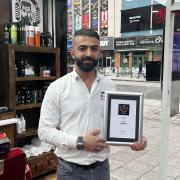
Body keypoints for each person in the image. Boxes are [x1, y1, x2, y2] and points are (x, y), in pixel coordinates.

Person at [38, 28, 147, 180]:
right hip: (70, 171)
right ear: (73, 53)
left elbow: (116, 124)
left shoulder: (109, 86)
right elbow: (44, 131)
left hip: (101, 169)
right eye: (82, 48)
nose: (89, 53)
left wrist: (132, 139)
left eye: (94, 49)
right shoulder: (57, 88)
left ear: (100, 53)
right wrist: (80, 142)